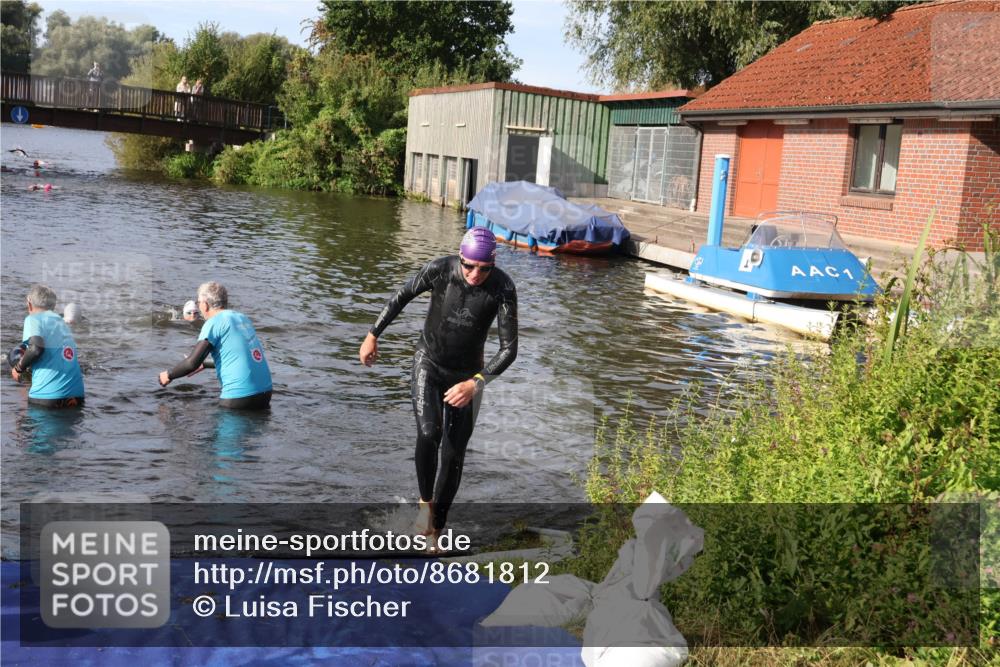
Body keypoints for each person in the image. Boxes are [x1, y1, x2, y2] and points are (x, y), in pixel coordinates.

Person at [359, 227, 518, 548]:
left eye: (484, 268)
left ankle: (436, 532)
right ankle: (424, 506)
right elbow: (401, 296)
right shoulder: (439, 270)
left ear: (493, 264)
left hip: (469, 378)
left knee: (454, 453)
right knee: (429, 434)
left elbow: (509, 349)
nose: (475, 274)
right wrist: (373, 334)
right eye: (469, 266)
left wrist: (477, 383)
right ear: (460, 258)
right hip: (429, 363)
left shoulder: (503, 288)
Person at [159, 282, 272, 409]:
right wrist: (205, 364)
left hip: (239, 396)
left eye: (198, 302)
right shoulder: (242, 318)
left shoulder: (214, 322)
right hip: (265, 393)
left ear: (205, 304)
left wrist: (169, 375)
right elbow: (241, 356)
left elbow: (191, 363)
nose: (198, 306)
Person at [11, 284, 85, 408]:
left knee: (21, 423)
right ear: (53, 306)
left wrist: (18, 368)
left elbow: (36, 349)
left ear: (29, 304)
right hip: (76, 396)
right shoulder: (62, 323)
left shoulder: (33, 319)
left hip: (48, 398)